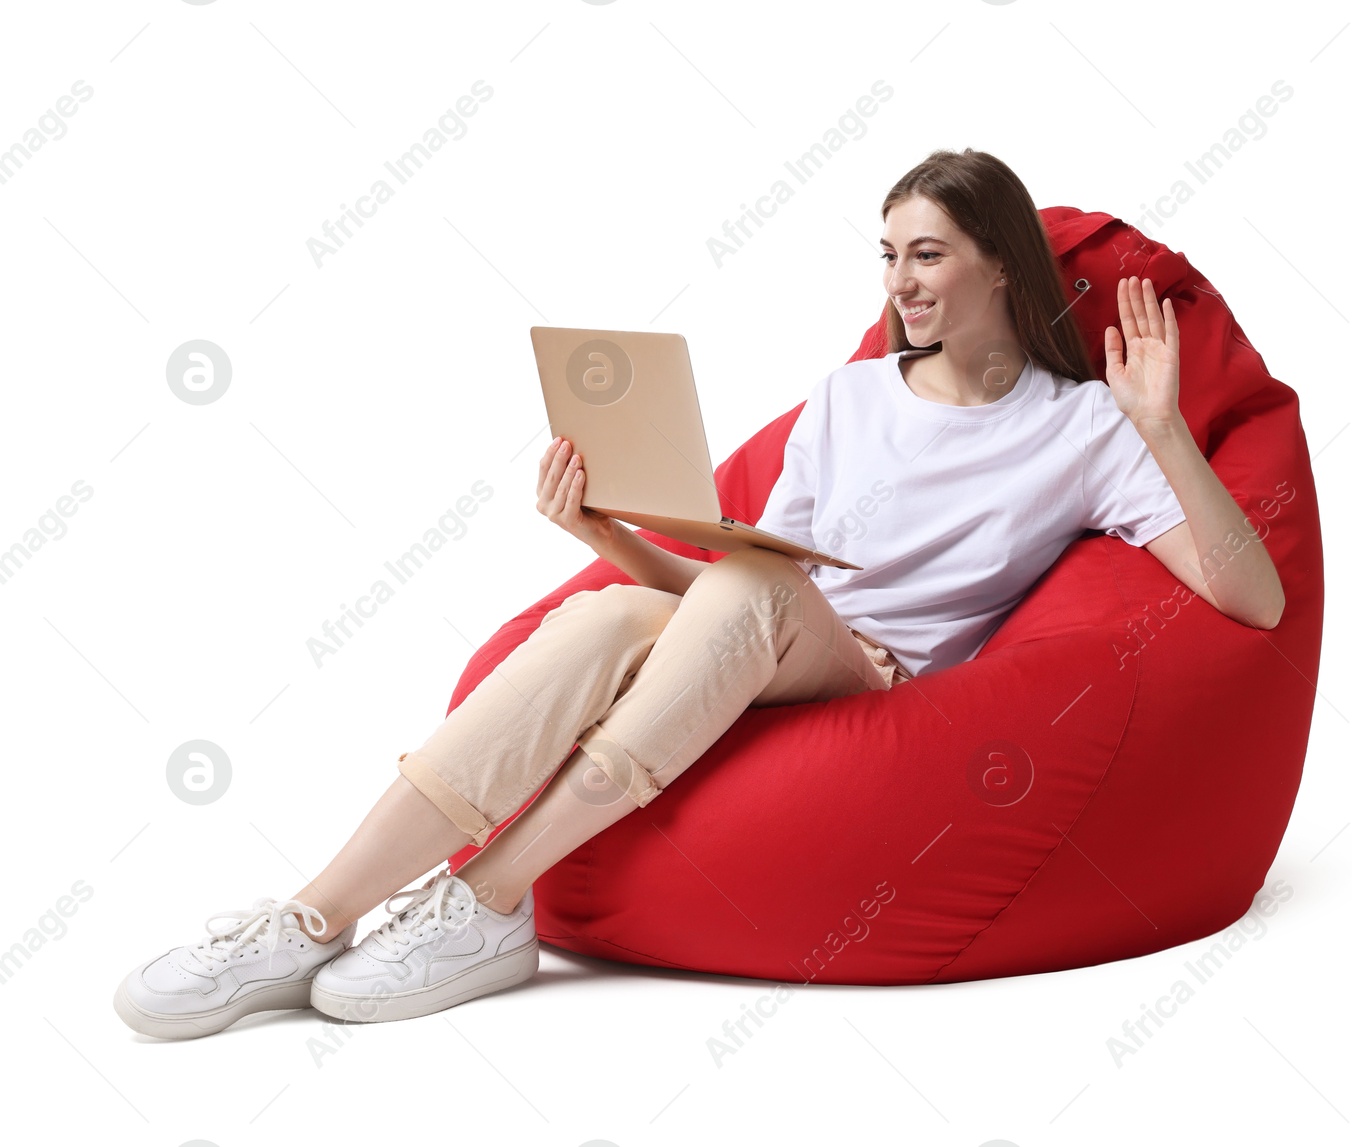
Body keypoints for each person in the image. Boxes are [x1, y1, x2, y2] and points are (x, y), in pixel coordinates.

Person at [113, 148, 1285, 1040]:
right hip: (770, 631)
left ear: (1000, 263)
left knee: (745, 593)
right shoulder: (852, 396)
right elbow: (743, 590)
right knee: (604, 614)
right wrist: (604, 534)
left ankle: (488, 893)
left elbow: (1253, 603)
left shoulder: (1080, 428)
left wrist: (1160, 432)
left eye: (926, 253)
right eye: (887, 256)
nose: (901, 281)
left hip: (879, 680)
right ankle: (310, 917)